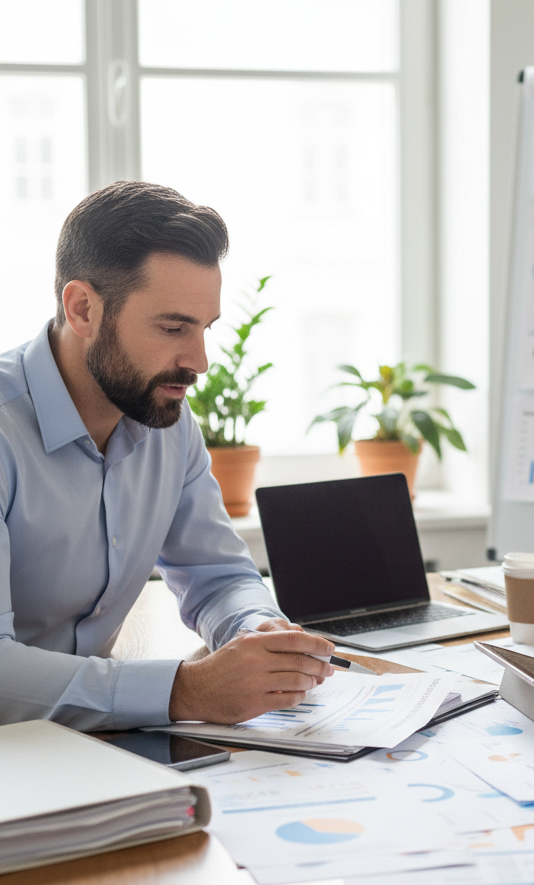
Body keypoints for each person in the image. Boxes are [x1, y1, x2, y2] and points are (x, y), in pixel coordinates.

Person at [0, 181, 336, 730]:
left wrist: (258, 632)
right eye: (173, 327)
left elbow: (219, 578)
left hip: (85, 747)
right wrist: (184, 692)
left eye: (205, 328)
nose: (199, 361)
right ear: (83, 309)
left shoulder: (168, 427)